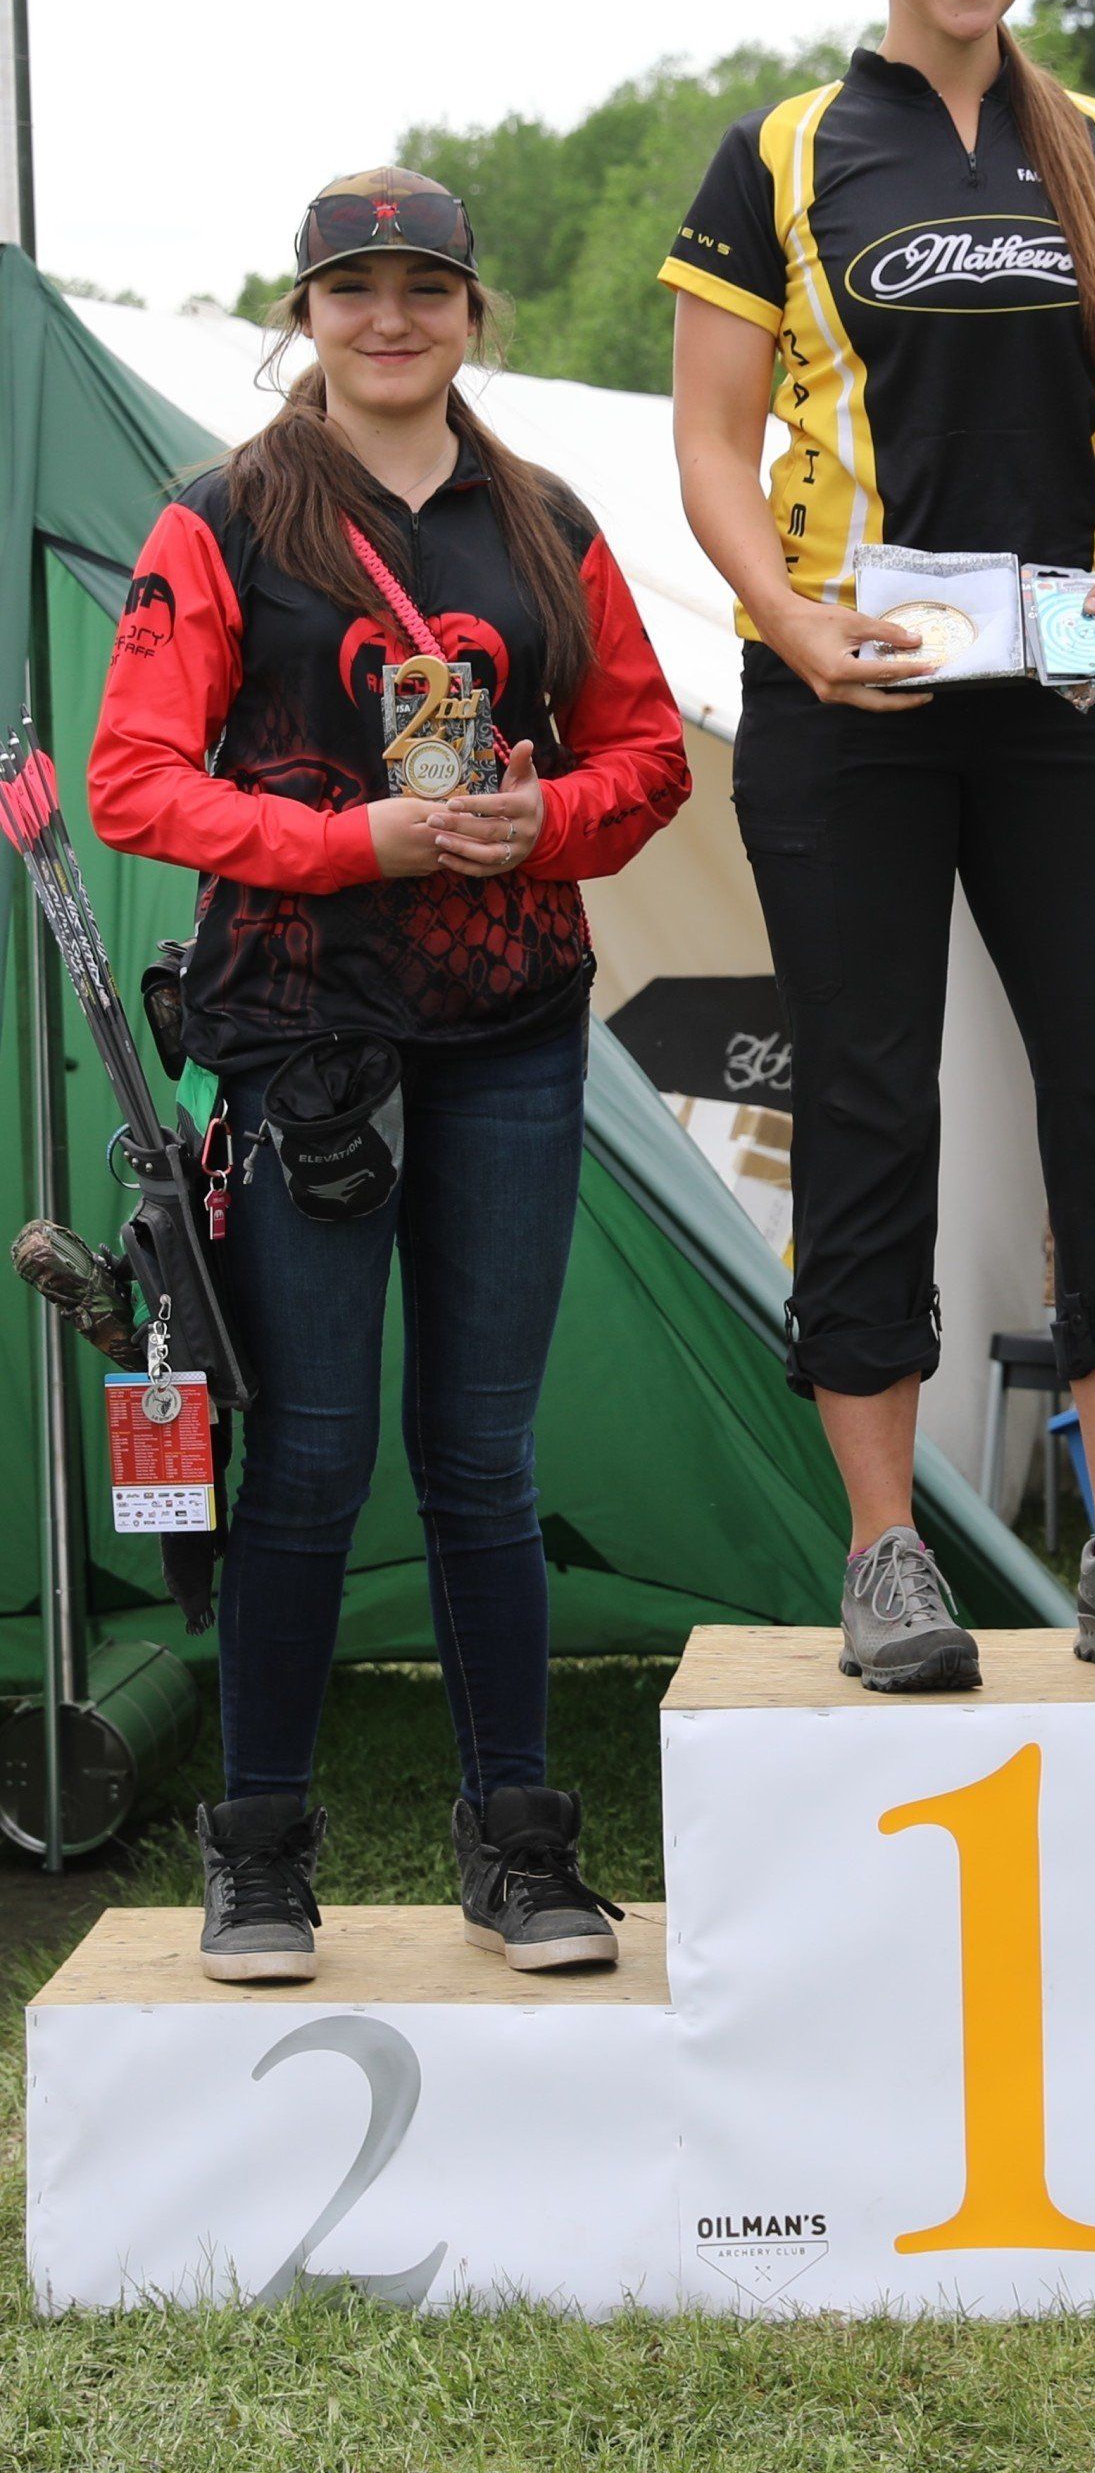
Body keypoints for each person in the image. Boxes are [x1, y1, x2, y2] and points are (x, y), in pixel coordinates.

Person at [662, 0, 1095, 1688]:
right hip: (858, 697)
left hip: (1068, 677)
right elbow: (708, 446)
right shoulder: (784, 151)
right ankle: (887, 1551)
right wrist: (792, 622)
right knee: (866, 1098)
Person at [90, 167, 691, 1983]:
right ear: (307, 314)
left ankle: (519, 1848)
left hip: (510, 1026)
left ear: (471, 311)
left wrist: (540, 821)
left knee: (483, 1458)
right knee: (309, 1462)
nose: (391, 318)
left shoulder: (551, 521)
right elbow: (133, 784)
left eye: (425, 286)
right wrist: (364, 844)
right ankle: (259, 1854)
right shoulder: (217, 521)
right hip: (302, 1043)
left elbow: (648, 756)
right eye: (355, 289)